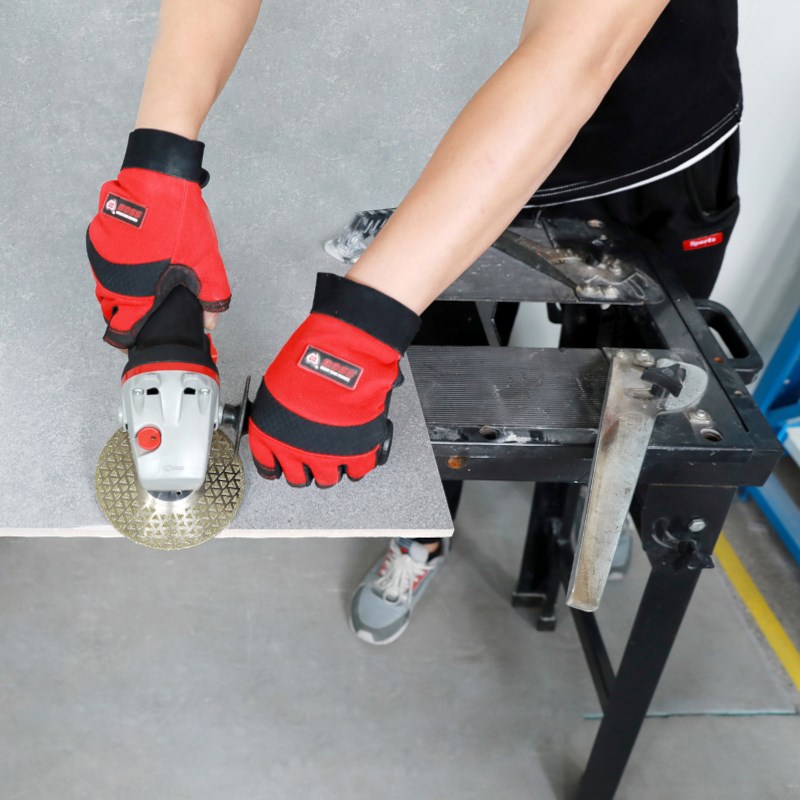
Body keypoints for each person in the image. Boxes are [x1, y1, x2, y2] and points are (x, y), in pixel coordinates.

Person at [87, 0, 742, 645]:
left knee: (635, 374)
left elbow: (577, 54)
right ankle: (421, 536)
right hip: (449, 121)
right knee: (436, 359)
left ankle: (607, 497)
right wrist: (159, 163)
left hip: (635, 134)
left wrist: (360, 325)